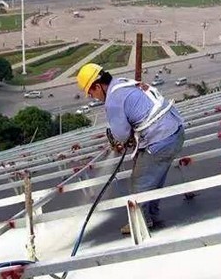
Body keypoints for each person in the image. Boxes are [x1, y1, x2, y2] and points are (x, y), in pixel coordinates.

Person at [77, 63, 185, 235]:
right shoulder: (122, 82)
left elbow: (121, 135)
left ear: (97, 86)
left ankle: (139, 222)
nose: (92, 97)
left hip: (160, 139)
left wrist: (121, 141)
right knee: (155, 178)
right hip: (176, 131)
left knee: (139, 182)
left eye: (91, 92)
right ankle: (152, 216)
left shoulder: (113, 101)